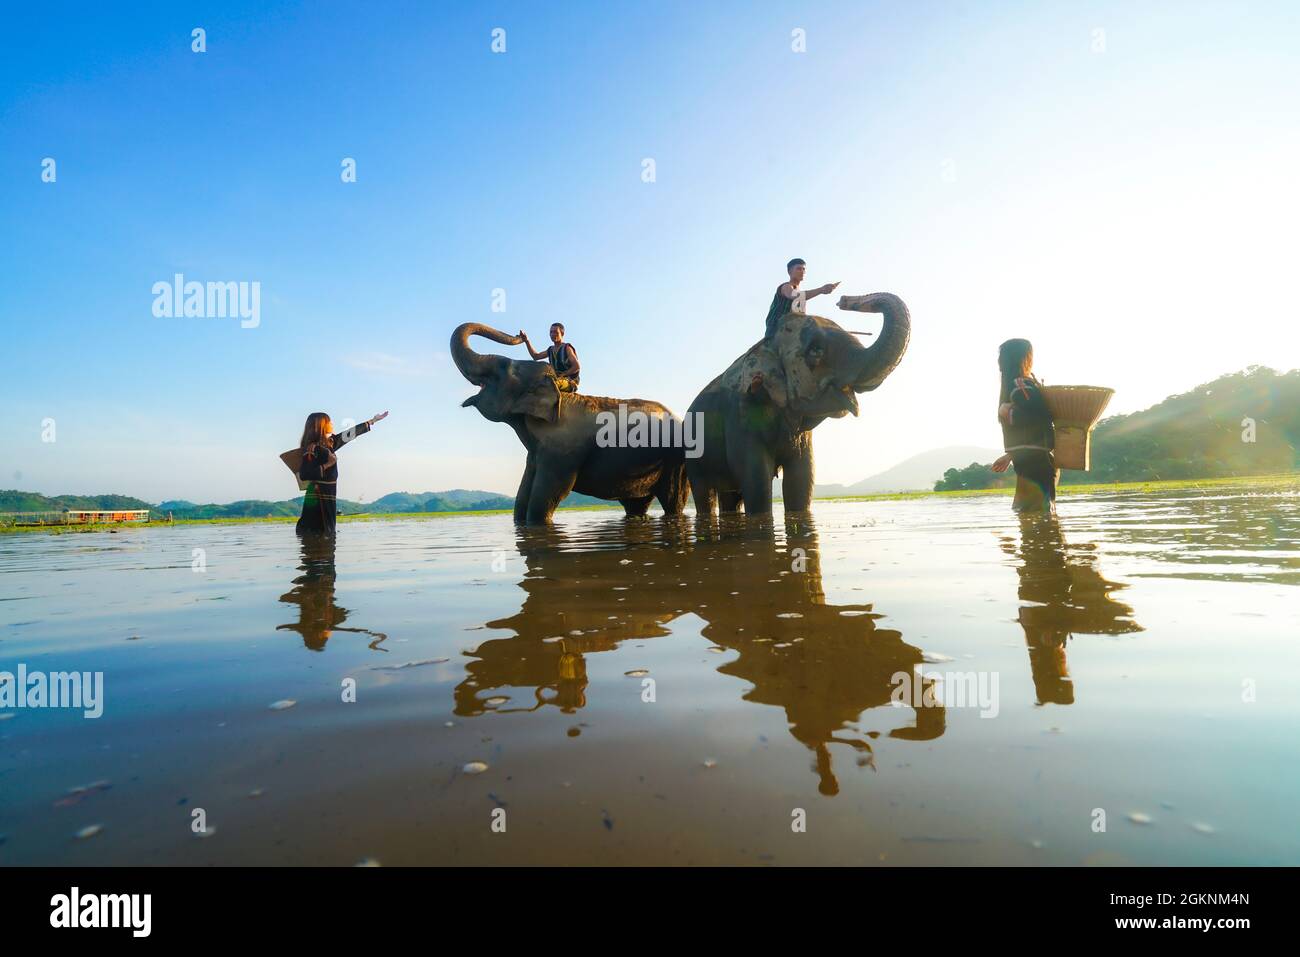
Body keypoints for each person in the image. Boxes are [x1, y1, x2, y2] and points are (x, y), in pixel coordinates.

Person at [295, 410, 388, 536]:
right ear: (321, 425)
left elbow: (350, 434)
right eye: (329, 421)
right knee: (318, 532)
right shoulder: (312, 449)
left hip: (328, 494)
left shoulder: (329, 444)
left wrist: (373, 420)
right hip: (318, 497)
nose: (332, 423)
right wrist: (328, 464)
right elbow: (305, 474)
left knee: (327, 533)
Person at [991, 339, 1057, 514]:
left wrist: (1011, 454)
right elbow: (1041, 415)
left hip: (1028, 460)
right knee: (1038, 510)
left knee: (1031, 510)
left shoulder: (1016, 386)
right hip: (1035, 460)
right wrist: (1009, 414)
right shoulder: (1021, 385)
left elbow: (1030, 424)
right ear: (1024, 359)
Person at [764, 258, 840, 339]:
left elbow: (800, 317)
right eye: (798, 269)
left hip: (792, 332)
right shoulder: (786, 286)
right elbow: (795, 296)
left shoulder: (800, 294)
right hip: (776, 331)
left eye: (803, 269)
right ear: (789, 272)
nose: (802, 271)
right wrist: (821, 290)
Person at [519, 323, 580, 392]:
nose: (553, 334)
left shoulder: (567, 348)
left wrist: (563, 374)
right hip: (557, 379)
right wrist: (526, 341)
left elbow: (576, 366)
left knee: (551, 385)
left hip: (569, 381)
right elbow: (535, 356)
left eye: (555, 332)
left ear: (562, 334)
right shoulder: (550, 350)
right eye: (551, 332)